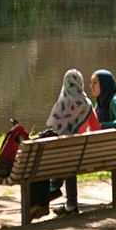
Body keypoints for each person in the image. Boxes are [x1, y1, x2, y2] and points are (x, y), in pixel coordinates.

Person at [38, 69, 98, 218]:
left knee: (65, 156)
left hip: (61, 157)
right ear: (80, 83)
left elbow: (52, 131)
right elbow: (97, 130)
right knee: (71, 156)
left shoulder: (61, 104)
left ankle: (54, 187)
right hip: (84, 157)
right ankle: (68, 202)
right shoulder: (88, 105)